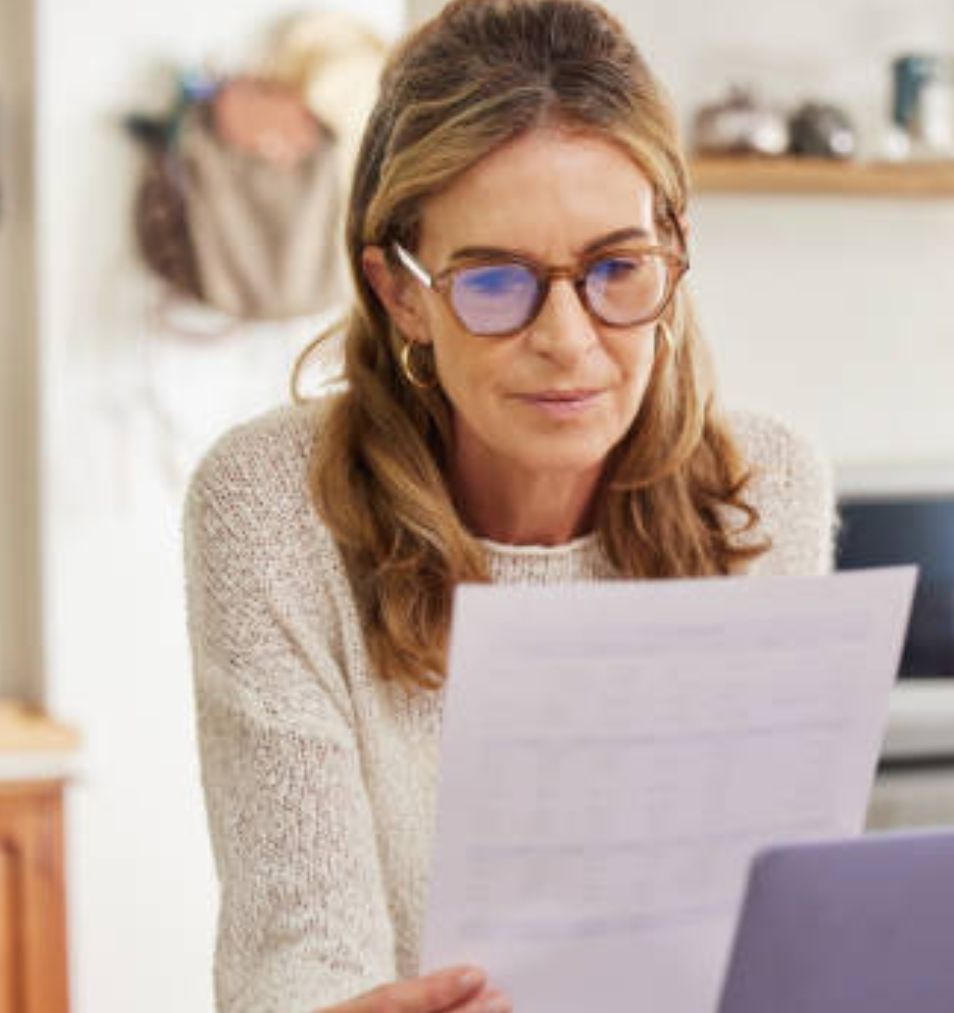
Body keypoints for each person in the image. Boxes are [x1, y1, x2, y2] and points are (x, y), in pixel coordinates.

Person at [182, 1, 835, 1010]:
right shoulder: (272, 507)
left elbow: (772, 921)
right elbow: (296, 951)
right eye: (496, 282)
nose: (569, 340)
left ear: (674, 246)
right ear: (401, 293)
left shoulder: (765, 490)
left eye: (618, 269)